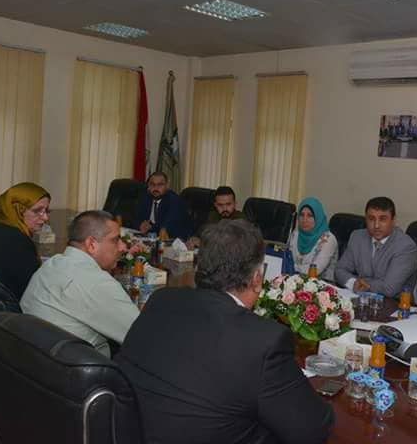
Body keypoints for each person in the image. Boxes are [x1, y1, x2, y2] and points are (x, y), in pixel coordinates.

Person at [116, 220, 335, 444]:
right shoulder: (264, 341)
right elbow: (313, 428)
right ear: (257, 279)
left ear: (200, 266)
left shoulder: (161, 300)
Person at [20, 210, 138, 358]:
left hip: (33, 359)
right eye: (115, 240)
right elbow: (143, 336)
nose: (122, 247)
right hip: (80, 367)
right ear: (91, 244)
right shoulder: (97, 283)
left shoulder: (52, 263)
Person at [335, 196, 417, 297]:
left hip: (393, 302)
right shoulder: (357, 237)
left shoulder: (406, 246)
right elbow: (340, 270)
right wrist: (353, 283)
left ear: (393, 220)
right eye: (371, 219)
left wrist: (361, 283)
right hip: (359, 298)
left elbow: (389, 288)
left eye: (383, 219)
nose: (376, 225)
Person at [288, 197, 338, 281]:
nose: (304, 220)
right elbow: (287, 258)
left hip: (322, 285)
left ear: (318, 217)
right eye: (302, 215)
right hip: (294, 281)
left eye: (310, 216)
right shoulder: (295, 234)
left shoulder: (328, 239)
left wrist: (288, 266)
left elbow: (316, 270)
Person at [135, 171, 193, 241]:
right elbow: (136, 219)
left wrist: (150, 227)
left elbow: (166, 227)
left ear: (167, 186)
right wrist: (141, 225)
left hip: (175, 241)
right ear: (148, 186)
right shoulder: (145, 198)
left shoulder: (175, 201)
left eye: (160, 185)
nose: (155, 188)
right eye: (152, 184)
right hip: (151, 239)